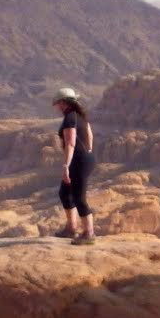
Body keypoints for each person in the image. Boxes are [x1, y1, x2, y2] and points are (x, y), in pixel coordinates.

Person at [51, 87, 97, 245]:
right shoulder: (80, 116)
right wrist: (89, 151)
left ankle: (89, 234)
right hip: (84, 158)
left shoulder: (70, 118)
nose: (56, 107)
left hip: (78, 161)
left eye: (57, 103)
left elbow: (70, 143)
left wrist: (66, 165)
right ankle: (71, 228)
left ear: (63, 103)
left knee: (79, 197)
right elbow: (89, 135)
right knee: (65, 193)